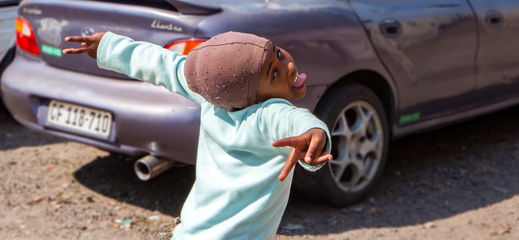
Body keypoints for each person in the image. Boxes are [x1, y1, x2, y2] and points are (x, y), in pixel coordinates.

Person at [63, 31, 332, 240]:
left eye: (278, 53)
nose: (288, 65)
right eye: (274, 72)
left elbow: (164, 64)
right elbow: (293, 120)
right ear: (251, 96)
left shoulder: (213, 99)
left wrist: (109, 47)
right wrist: (313, 135)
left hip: (190, 231)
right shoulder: (267, 114)